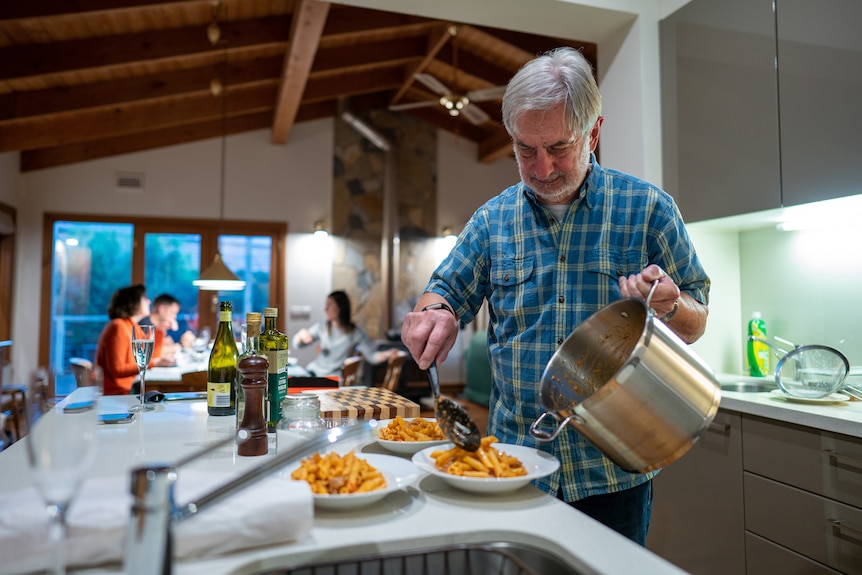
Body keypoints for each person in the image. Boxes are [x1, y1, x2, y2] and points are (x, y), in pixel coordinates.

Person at [400, 47, 710, 546]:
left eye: (559, 147)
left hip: (612, 473)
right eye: (525, 149)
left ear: (594, 132)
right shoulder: (491, 221)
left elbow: (696, 321)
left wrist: (671, 305)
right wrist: (432, 313)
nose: (542, 168)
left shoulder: (648, 209)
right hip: (512, 465)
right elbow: (443, 292)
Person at [292, 290, 398, 378]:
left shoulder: (356, 332)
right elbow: (297, 344)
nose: (325, 309)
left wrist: (388, 353)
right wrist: (301, 334)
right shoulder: (322, 327)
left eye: (329, 305)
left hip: (334, 379)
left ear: (340, 308)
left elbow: (372, 356)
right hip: (313, 373)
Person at [95, 284, 166, 395]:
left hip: (128, 390)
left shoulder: (132, 326)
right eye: (145, 298)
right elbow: (117, 370)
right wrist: (154, 363)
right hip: (116, 393)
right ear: (133, 302)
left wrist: (161, 330)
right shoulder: (118, 326)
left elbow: (151, 357)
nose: (149, 302)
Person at [138, 293, 195, 363]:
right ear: (161, 309)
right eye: (173, 313)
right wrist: (181, 345)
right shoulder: (145, 325)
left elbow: (167, 344)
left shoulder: (160, 326)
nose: (174, 317)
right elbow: (150, 351)